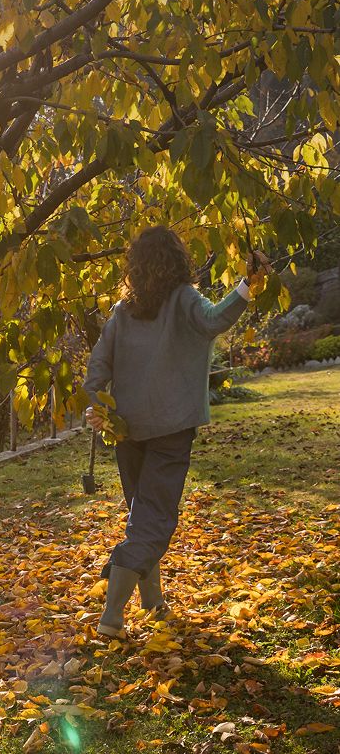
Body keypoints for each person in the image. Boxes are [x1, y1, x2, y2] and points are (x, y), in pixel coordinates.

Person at [82, 226, 270, 639]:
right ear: (177, 260)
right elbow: (215, 320)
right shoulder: (184, 298)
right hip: (169, 428)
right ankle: (112, 617)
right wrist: (246, 286)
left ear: (135, 265)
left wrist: (98, 409)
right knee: (152, 520)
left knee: (141, 515)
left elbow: (97, 369)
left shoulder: (121, 310)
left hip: (126, 429)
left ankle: (152, 601)